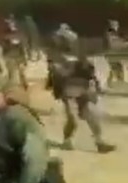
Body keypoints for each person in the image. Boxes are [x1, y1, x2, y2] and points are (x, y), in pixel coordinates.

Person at [47, 24, 115, 153]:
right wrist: (71, 68)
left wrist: (95, 84)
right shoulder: (54, 55)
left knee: (91, 116)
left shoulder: (78, 53)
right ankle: (67, 141)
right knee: (73, 118)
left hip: (82, 88)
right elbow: (59, 73)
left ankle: (99, 142)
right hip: (67, 90)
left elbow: (90, 70)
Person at [1, 18, 28, 89]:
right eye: (10, 24)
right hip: (9, 57)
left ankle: (24, 85)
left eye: (13, 24)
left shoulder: (19, 35)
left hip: (19, 57)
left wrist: (24, 59)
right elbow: (4, 49)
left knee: (22, 73)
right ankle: (10, 88)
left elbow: (22, 48)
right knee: (11, 74)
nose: (12, 26)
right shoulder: (6, 36)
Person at [104, 20, 127, 86]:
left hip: (113, 55)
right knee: (115, 69)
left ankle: (118, 81)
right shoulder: (111, 33)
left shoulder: (112, 34)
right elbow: (117, 43)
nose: (117, 26)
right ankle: (111, 82)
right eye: (116, 25)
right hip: (112, 55)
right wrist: (125, 43)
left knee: (116, 68)